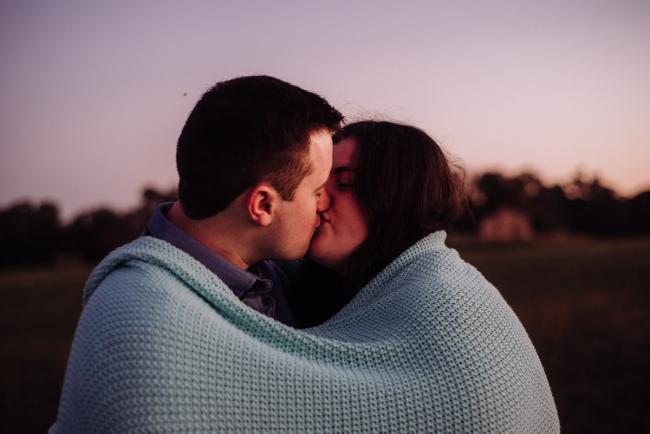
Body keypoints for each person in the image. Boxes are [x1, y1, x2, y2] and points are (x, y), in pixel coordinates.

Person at [50, 75, 343, 432]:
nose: (326, 203)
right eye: (316, 191)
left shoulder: (276, 271)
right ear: (263, 205)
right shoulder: (138, 320)